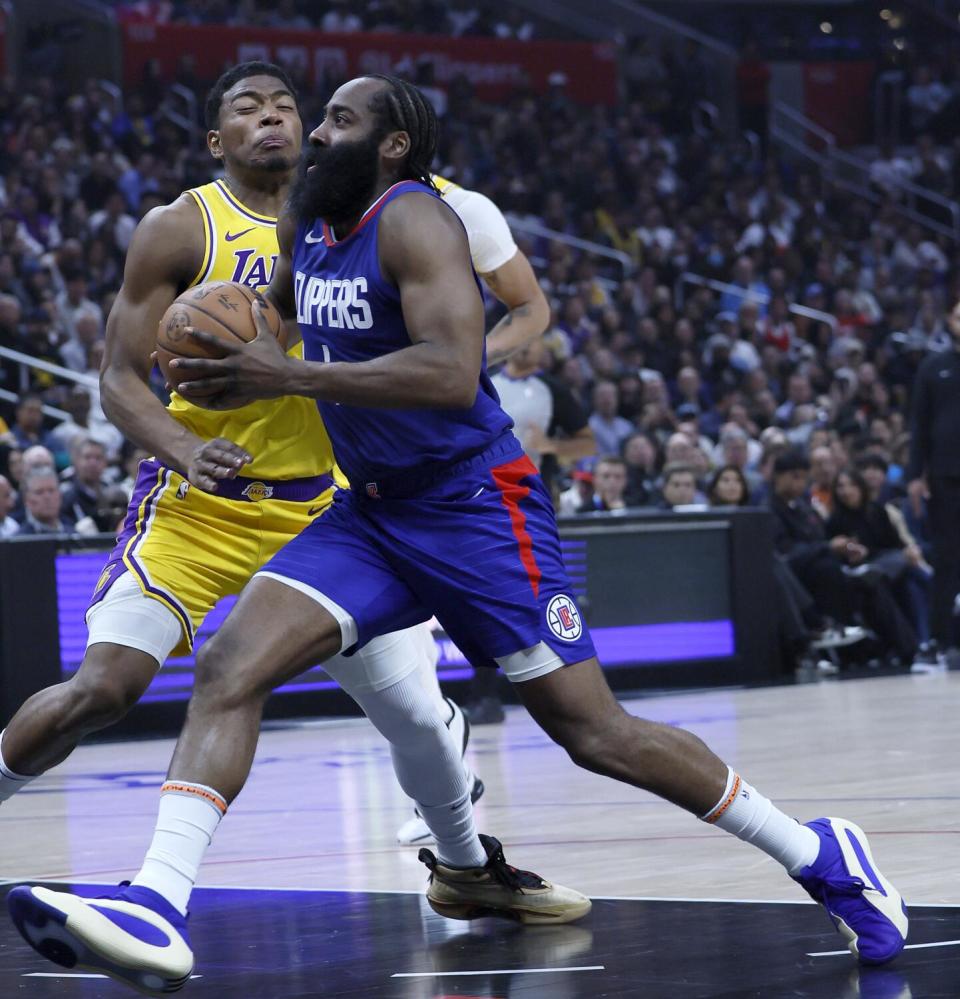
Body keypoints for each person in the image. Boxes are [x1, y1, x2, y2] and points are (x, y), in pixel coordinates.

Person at [11, 74, 907, 994]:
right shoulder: (304, 230)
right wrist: (216, 366)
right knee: (231, 664)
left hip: (478, 507)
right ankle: (158, 902)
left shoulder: (416, 222)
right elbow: (270, 329)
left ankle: (819, 852)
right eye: (315, 118)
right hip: (367, 512)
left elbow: (448, 372)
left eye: (338, 121)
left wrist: (286, 380)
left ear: (391, 146)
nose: (315, 133)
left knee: (593, 732)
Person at [4, 66, 587, 981]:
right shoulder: (179, 227)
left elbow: (488, 320)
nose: (273, 116)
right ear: (216, 142)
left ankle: (472, 871)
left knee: (424, 727)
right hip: (198, 505)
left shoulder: (364, 222)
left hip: (327, 506)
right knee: (104, 688)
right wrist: (183, 448)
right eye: (247, 106)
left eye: (287, 105)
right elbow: (118, 378)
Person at [906, 296, 960, 662]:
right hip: (945, 476)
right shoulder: (933, 366)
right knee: (947, 559)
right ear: (949, 320)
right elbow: (919, 424)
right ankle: (940, 641)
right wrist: (914, 476)